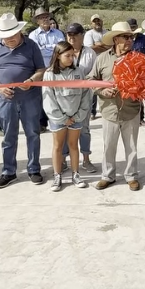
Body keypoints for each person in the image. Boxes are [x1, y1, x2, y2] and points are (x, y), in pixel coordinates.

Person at [0, 12, 47, 189]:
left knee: (33, 133)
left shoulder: (31, 46)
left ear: (19, 32)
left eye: (13, 35)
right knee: (9, 136)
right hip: (5, 100)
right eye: (6, 36)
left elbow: (41, 69)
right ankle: (8, 171)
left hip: (30, 98)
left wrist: (31, 81)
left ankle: (33, 169)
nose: (9, 39)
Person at [90, 21, 145, 191]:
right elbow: (91, 80)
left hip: (131, 109)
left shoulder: (138, 59)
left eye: (131, 37)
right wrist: (102, 91)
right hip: (109, 110)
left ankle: (131, 176)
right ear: (115, 39)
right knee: (109, 146)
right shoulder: (102, 58)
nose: (129, 40)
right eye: (125, 37)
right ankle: (108, 176)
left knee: (131, 147)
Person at [42, 41, 93, 192]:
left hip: (76, 117)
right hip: (58, 119)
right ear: (58, 56)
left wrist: (79, 114)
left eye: (73, 55)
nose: (71, 58)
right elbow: (48, 98)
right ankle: (57, 176)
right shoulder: (50, 74)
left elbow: (85, 94)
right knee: (58, 146)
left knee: (73, 145)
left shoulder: (79, 72)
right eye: (67, 55)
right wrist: (62, 118)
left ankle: (75, 174)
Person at [62, 23, 98, 173]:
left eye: (75, 34)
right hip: (64, 97)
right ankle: (63, 160)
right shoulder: (61, 51)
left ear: (82, 36)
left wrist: (83, 80)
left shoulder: (90, 53)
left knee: (84, 129)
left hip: (84, 96)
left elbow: (94, 73)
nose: (71, 37)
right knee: (64, 128)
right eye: (69, 34)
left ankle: (86, 160)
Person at [30, 8, 64, 132]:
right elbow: (37, 51)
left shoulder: (59, 33)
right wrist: (53, 47)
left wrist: (45, 47)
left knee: (58, 96)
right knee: (42, 96)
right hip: (41, 69)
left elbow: (61, 50)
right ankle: (42, 123)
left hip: (57, 69)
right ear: (37, 21)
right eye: (41, 18)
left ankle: (58, 121)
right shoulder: (33, 35)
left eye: (46, 17)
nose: (44, 19)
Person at [84, 14, 107, 118]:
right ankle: (92, 111)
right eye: (95, 21)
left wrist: (99, 44)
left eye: (99, 20)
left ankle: (105, 109)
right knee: (93, 87)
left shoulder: (107, 32)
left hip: (106, 62)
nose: (97, 23)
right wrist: (104, 46)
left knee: (106, 85)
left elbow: (112, 47)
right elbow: (90, 48)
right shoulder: (89, 34)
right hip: (93, 62)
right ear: (91, 23)